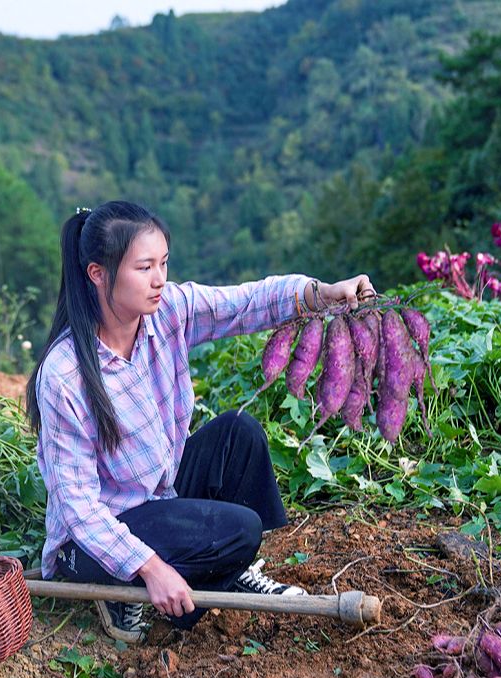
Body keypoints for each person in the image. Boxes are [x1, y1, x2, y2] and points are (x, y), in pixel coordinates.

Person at [24, 201, 376, 643]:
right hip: (93, 539)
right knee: (240, 529)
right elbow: (78, 507)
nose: (159, 279)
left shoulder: (167, 311)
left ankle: (230, 570)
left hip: (158, 496)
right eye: (144, 268)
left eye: (163, 263)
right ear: (98, 273)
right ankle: (123, 590)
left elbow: (245, 303)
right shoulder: (65, 375)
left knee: (238, 434)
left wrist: (321, 293)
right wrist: (151, 568)